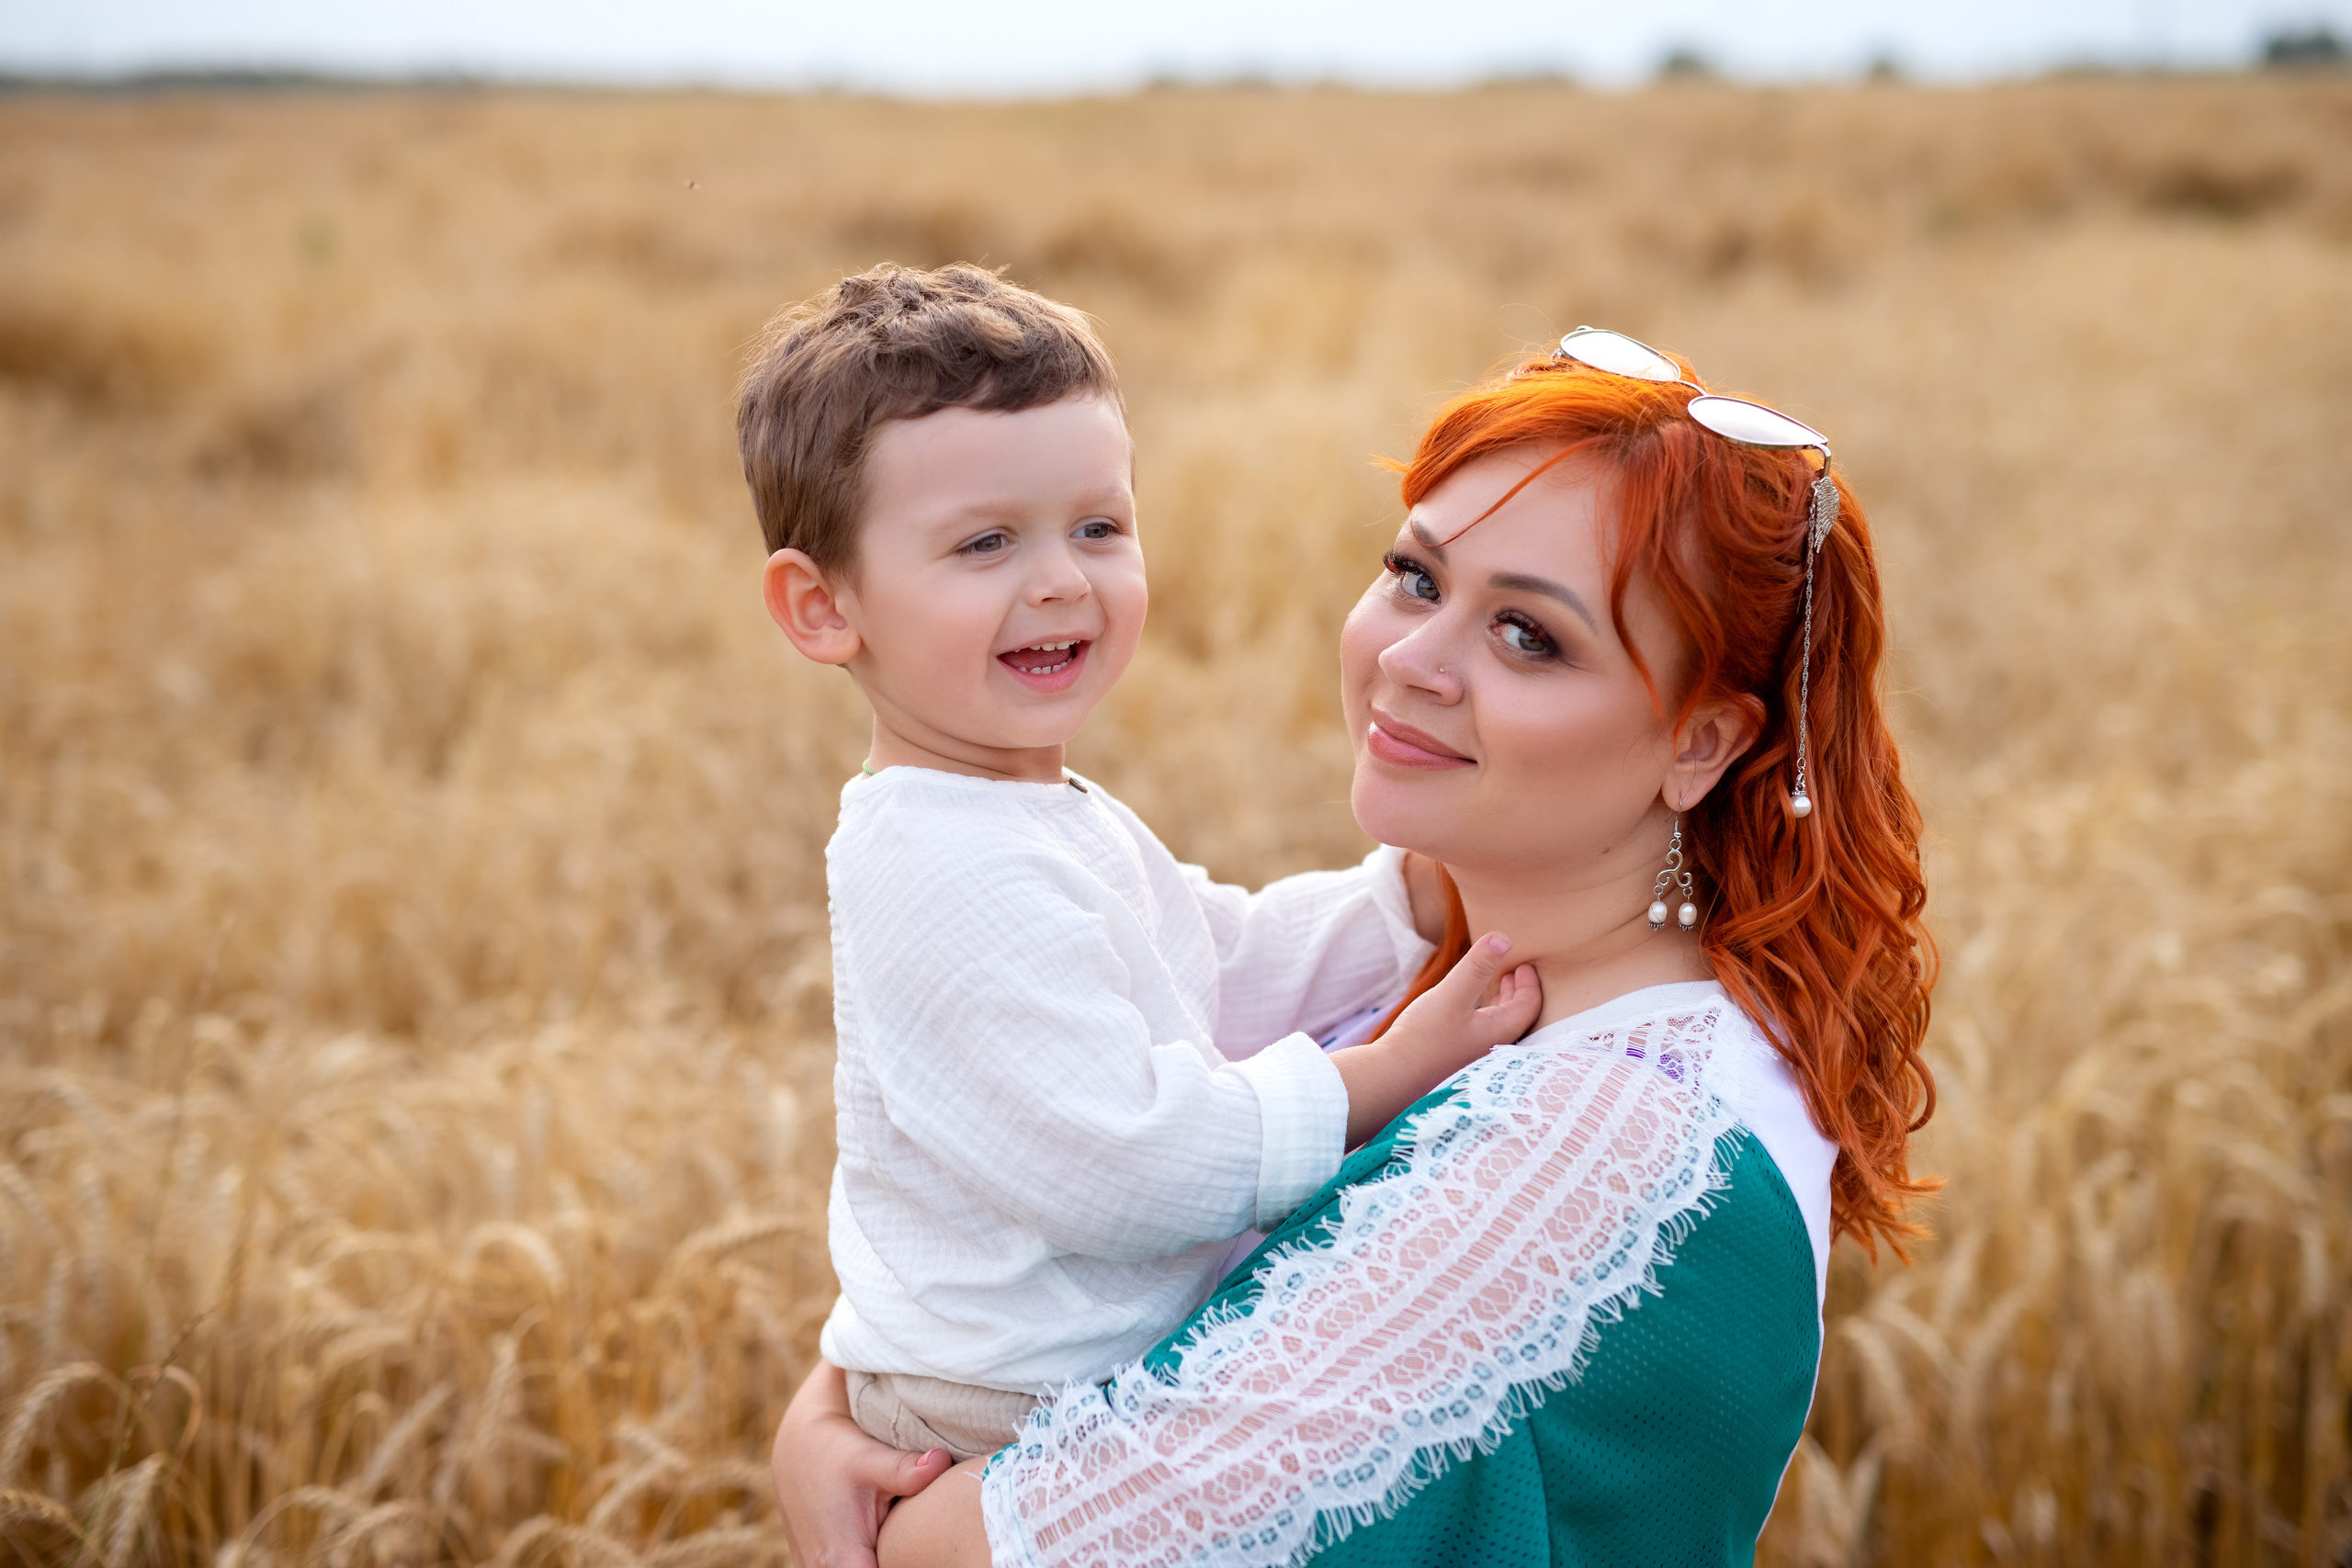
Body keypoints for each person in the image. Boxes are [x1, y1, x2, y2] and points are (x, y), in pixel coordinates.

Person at [773, 328, 1936, 1567]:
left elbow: (986, 1550)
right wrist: (835, 1403)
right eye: (1418, 577)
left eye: (1530, 636)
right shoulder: (1461, 984)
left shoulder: (1606, 1142)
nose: (1412, 660)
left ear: (1699, 743)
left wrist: (828, 1460)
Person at [739, 264, 1548, 1470]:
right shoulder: (943, 870)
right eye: (984, 542)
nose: (1061, 578)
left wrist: (1398, 905)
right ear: (822, 609)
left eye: (1099, 527)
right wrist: (1399, 1066)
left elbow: (1210, 970)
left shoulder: (1022, 810)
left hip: (1060, 1373)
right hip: (996, 1412)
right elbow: (1126, 1168)